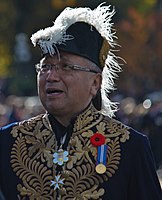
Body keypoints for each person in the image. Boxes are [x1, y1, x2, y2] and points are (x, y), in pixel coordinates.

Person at [0, 3, 162, 200]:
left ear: (95, 83)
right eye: (45, 67)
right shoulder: (9, 142)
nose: (51, 76)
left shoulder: (130, 147)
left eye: (66, 66)